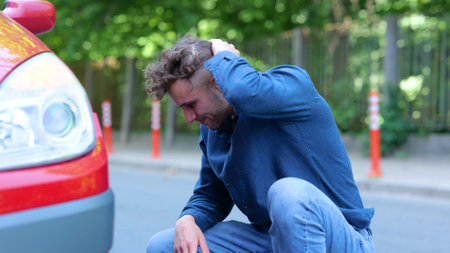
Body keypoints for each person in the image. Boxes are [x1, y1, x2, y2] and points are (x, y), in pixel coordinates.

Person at [144, 35, 374, 253]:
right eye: (182, 108)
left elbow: (244, 91)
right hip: (270, 240)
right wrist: (188, 219)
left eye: (192, 104)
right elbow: (211, 195)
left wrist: (225, 57)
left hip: (340, 240)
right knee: (163, 245)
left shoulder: (291, 87)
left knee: (288, 193)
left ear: (218, 81)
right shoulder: (213, 128)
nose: (189, 117)